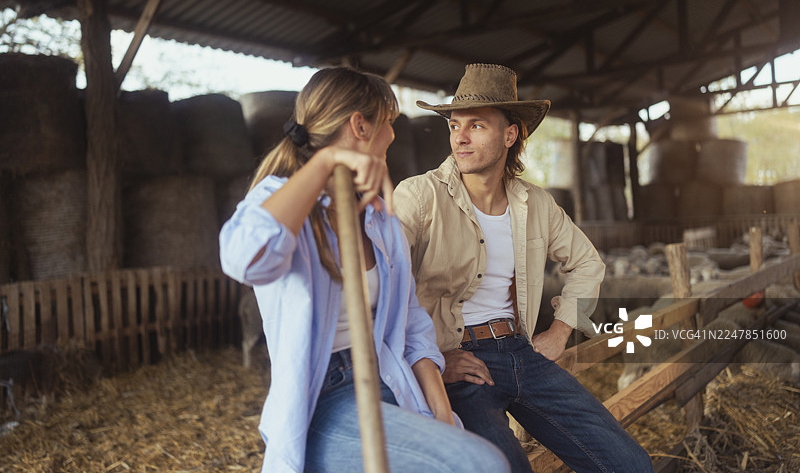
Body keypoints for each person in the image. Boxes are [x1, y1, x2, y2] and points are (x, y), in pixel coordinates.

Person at [219, 67, 509, 473]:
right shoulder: (279, 201)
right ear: (360, 126)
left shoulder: (378, 216)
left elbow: (411, 325)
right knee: (481, 464)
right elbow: (244, 260)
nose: (392, 135)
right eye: (388, 123)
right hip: (326, 399)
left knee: (476, 454)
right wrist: (327, 162)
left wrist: (442, 413)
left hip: (391, 379)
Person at [394, 63, 653, 473]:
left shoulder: (536, 204)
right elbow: (384, 285)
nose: (460, 137)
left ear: (510, 135)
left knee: (630, 464)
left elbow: (587, 263)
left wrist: (560, 330)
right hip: (459, 362)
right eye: (454, 125)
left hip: (522, 352)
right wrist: (430, 360)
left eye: (476, 125)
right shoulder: (419, 197)